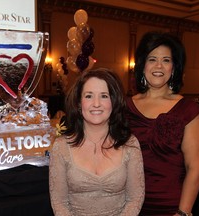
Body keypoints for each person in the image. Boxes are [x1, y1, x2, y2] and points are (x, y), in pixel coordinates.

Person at [126, 31, 199, 216]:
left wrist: (183, 211)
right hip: (126, 205)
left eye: (166, 60)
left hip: (170, 207)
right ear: (142, 64)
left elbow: (195, 168)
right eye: (152, 59)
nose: (158, 66)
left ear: (174, 67)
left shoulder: (187, 110)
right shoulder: (124, 107)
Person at [49, 68, 145, 216]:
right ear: (79, 103)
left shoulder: (130, 144)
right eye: (88, 96)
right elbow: (59, 203)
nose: (96, 104)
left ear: (114, 101)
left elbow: (135, 199)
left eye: (104, 96)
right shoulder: (61, 147)